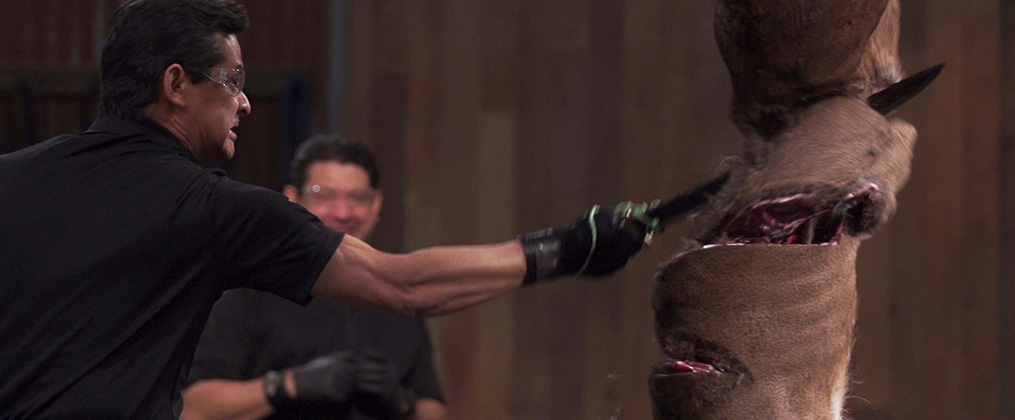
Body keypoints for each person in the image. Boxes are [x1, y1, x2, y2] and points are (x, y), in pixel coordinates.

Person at [0, 1, 658, 418]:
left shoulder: (10, 178)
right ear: (175, 83)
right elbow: (403, 286)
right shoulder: (213, 209)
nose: (245, 102)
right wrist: (569, 248)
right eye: (231, 80)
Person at [183, 136, 448, 420]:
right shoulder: (249, 289)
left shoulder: (397, 295)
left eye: (357, 197)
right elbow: (194, 407)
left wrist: (403, 404)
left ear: (376, 204)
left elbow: (433, 406)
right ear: (292, 199)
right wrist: (287, 385)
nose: (343, 213)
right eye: (324, 195)